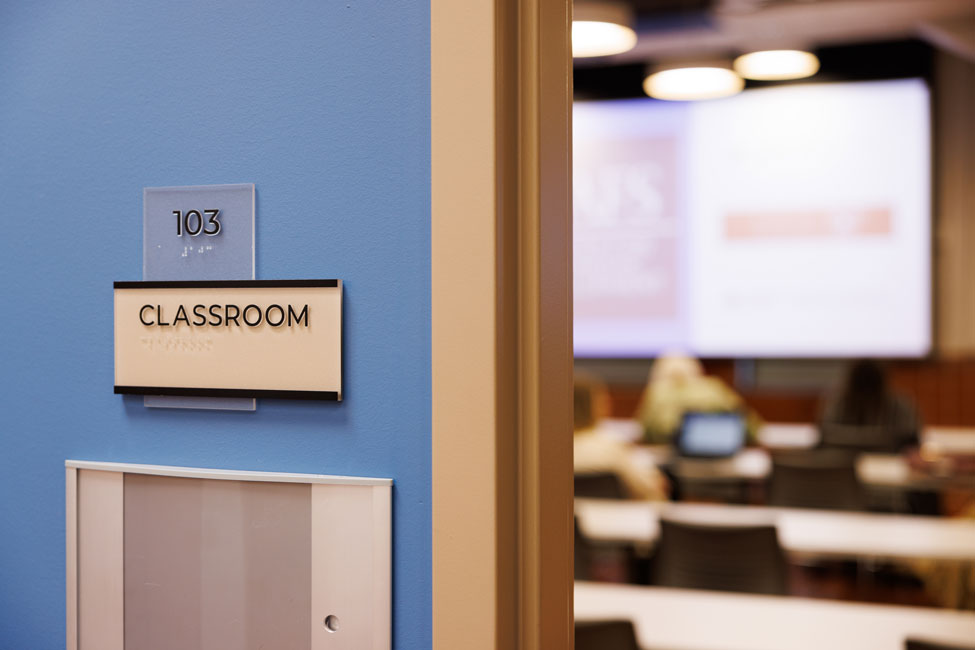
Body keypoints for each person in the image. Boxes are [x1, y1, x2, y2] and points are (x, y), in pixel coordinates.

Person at [574, 372, 668, 500]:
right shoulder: (612, 448)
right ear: (595, 406)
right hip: (615, 517)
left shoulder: (547, 451)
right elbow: (647, 489)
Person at [634, 353, 759, 444]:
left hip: (675, 469)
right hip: (724, 465)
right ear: (697, 371)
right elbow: (752, 429)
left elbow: (645, 433)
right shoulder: (715, 388)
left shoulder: (657, 392)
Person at [819, 359, 920, 453]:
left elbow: (824, 437)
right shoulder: (901, 405)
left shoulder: (837, 404)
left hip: (843, 465)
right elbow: (911, 441)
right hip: (888, 464)